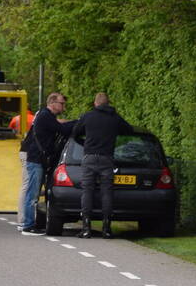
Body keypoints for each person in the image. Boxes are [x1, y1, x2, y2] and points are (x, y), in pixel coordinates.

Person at [72, 92, 134, 239]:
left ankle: (86, 228)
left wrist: (84, 143)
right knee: (107, 192)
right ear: (108, 103)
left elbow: (75, 133)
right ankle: (106, 228)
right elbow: (129, 130)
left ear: (95, 103)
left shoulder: (88, 116)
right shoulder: (114, 118)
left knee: (87, 190)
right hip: (107, 158)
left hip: (89, 157)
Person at [21, 93, 75, 234]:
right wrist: (80, 122)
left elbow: (59, 125)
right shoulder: (45, 116)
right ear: (52, 103)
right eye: (61, 103)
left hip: (37, 159)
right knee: (32, 194)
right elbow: (62, 129)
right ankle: (27, 225)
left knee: (33, 193)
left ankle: (30, 223)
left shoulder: (46, 116)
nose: (63, 106)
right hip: (36, 160)